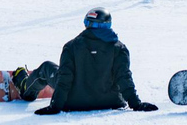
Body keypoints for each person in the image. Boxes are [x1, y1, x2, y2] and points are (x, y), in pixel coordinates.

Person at [12, 7, 158, 115]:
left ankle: (25, 86)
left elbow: (65, 79)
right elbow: (124, 77)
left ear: (87, 23)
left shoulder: (71, 46)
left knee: (46, 67)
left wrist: (55, 107)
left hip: (73, 102)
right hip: (111, 101)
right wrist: (136, 104)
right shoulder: (119, 48)